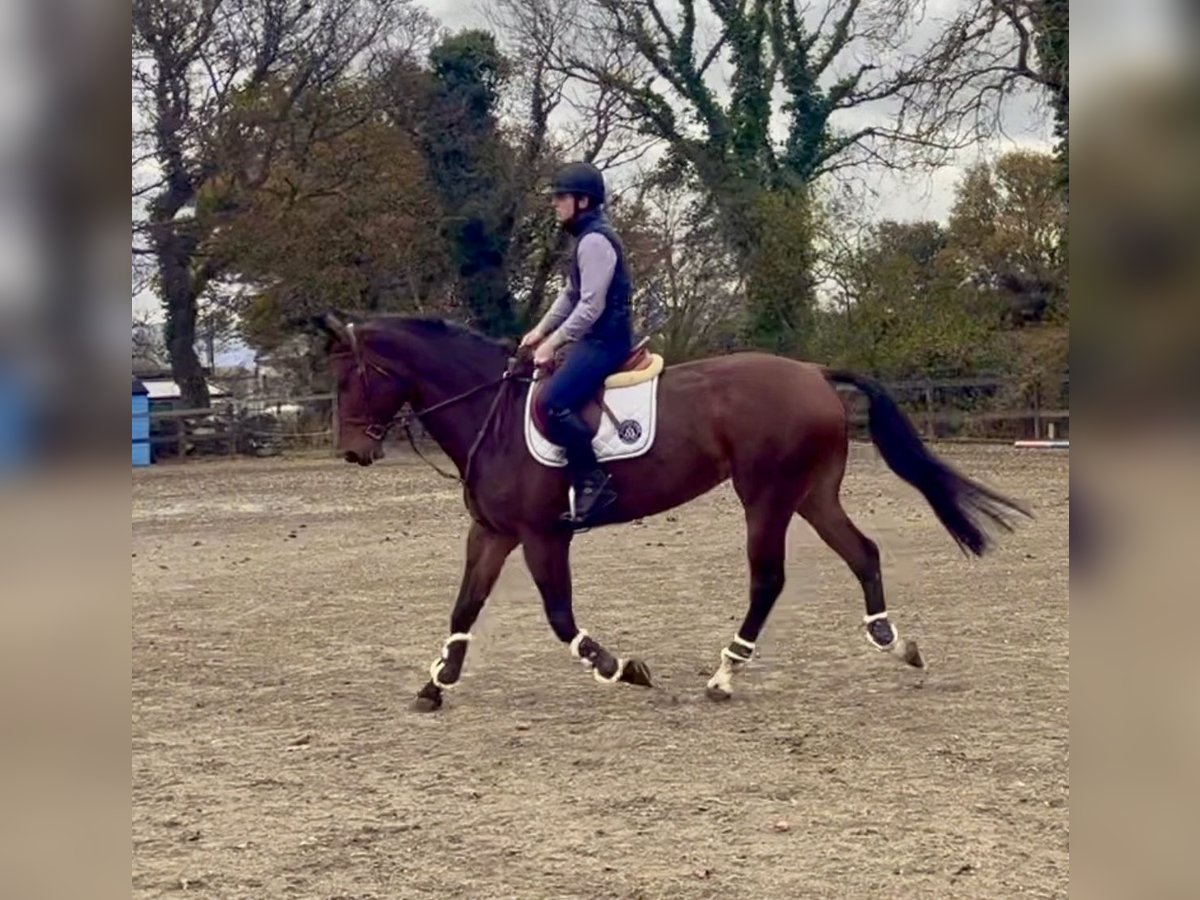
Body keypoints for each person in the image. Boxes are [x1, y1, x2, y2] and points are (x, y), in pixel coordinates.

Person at [520, 161, 634, 526]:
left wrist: (552, 344)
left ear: (583, 201)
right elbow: (569, 295)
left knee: (552, 402)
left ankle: (593, 482)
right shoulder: (586, 239)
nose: (555, 203)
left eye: (560, 197)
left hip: (606, 341)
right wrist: (539, 331)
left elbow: (590, 306)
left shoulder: (596, 241)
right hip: (594, 338)